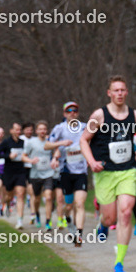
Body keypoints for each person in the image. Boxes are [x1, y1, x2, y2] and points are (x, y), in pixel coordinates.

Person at [80, 75, 136, 272]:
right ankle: (103, 224)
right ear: (109, 93)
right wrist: (91, 162)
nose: (120, 93)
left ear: (127, 92)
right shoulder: (99, 115)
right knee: (110, 216)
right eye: (116, 90)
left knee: (126, 213)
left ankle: (119, 263)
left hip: (128, 171)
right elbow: (84, 140)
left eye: (123, 90)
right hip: (105, 173)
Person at [47, 101, 89, 246]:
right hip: (66, 171)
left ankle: (79, 234)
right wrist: (60, 144)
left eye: (75, 110)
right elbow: (47, 145)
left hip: (81, 172)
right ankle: (68, 219)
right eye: (69, 110)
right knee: (69, 206)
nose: (72, 113)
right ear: (64, 113)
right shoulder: (60, 128)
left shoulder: (85, 127)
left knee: (80, 203)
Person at [0, 122, 29, 228]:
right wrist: (8, 156)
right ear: (11, 131)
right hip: (9, 172)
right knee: (9, 195)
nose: (18, 132)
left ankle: (19, 221)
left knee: (20, 194)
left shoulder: (23, 142)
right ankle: (7, 203)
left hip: (20, 172)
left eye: (19, 130)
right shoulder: (6, 142)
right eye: (16, 130)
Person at [24, 121, 57, 229]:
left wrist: (55, 159)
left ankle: (48, 221)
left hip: (48, 173)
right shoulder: (31, 142)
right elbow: (23, 156)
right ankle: (37, 214)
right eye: (40, 129)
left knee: (48, 197)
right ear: (37, 131)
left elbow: (56, 151)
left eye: (44, 129)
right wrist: (31, 160)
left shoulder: (49, 141)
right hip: (35, 174)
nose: (42, 131)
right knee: (37, 198)